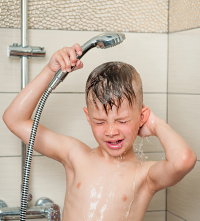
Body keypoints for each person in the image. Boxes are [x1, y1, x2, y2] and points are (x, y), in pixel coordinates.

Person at [3, 44, 196, 221]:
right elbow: (14, 119)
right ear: (88, 117)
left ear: (141, 117)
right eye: (100, 122)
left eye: (122, 121)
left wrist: (154, 124)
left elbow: (184, 160)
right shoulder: (75, 155)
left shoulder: (144, 176)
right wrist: (49, 71)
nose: (111, 131)